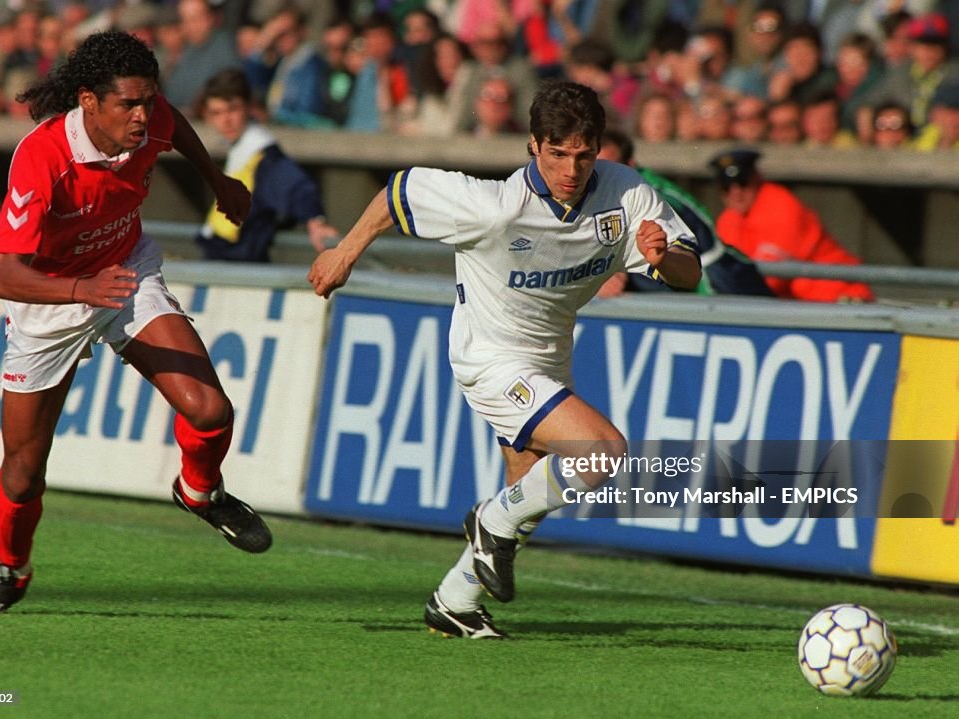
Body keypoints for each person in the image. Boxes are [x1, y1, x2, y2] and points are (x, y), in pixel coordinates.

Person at [308, 81, 701, 638]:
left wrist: (664, 258)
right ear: (534, 146)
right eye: (558, 153)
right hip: (489, 359)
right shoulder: (493, 207)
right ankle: (488, 521)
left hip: (549, 359)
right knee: (601, 453)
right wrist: (343, 253)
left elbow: (690, 273)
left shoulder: (624, 194)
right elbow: (400, 191)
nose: (572, 169)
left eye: (584, 155)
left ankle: (454, 601)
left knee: (528, 495)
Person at [0, 31, 272, 615]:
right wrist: (80, 289)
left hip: (125, 271)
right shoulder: (42, 157)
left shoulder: (149, 121)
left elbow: (174, 122)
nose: (142, 115)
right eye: (128, 103)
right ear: (88, 102)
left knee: (210, 410)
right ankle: (10, 569)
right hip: (48, 301)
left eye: (147, 100)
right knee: (24, 473)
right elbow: (6, 275)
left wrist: (217, 180)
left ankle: (200, 493)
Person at [596, 128, 772, 298]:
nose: (603, 175)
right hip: (699, 278)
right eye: (597, 168)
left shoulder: (648, 194)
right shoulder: (615, 187)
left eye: (611, 167)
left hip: (717, 284)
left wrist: (609, 270)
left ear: (630, 165)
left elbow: (643, 230)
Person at [196, 68, 337, 261]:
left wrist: (315, 222)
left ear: (249, 107)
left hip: (240, 266)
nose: (225, 121)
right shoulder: (239, 147)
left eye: (233, 110)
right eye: (217, 113)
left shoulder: (264, 155)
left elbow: (297, 187)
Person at [709, 148, 875, 303]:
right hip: (799, 306)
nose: (735, 192)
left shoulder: (781, 206)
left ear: (757, 178)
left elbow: (770, 279)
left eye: (743, 182)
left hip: (841, 298)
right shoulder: (729, 219)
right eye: (726, 186)